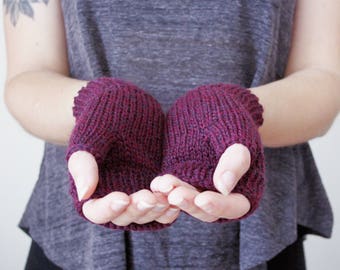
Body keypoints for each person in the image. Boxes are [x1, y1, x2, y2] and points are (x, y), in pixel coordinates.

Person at [3, 0, 339, 269]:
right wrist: (103, 108)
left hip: (257, 226)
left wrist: (233, 111)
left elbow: (324, 77)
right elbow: (29, 75)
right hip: (81, 237)